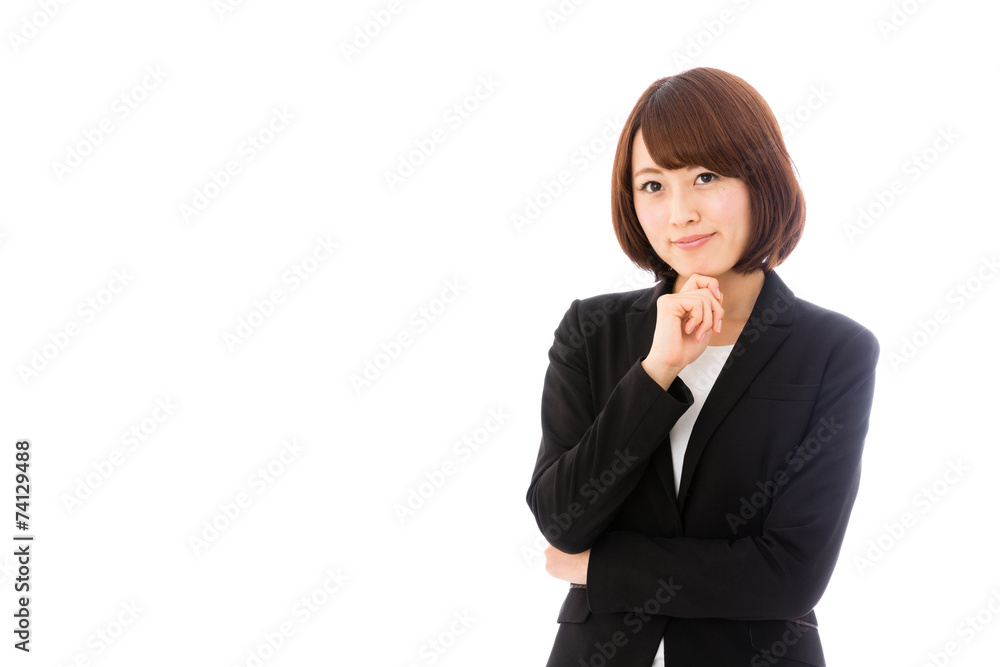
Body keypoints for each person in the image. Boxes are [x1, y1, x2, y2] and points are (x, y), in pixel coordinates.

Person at [525, 67, 879, 666]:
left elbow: (791, 575)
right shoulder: (592, 332)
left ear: (761, 178)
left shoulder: (834, 350)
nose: (679, 212)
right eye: (653, 185)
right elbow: (563, 519)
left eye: (706, 176)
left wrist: (599, 568)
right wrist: (657, 370)